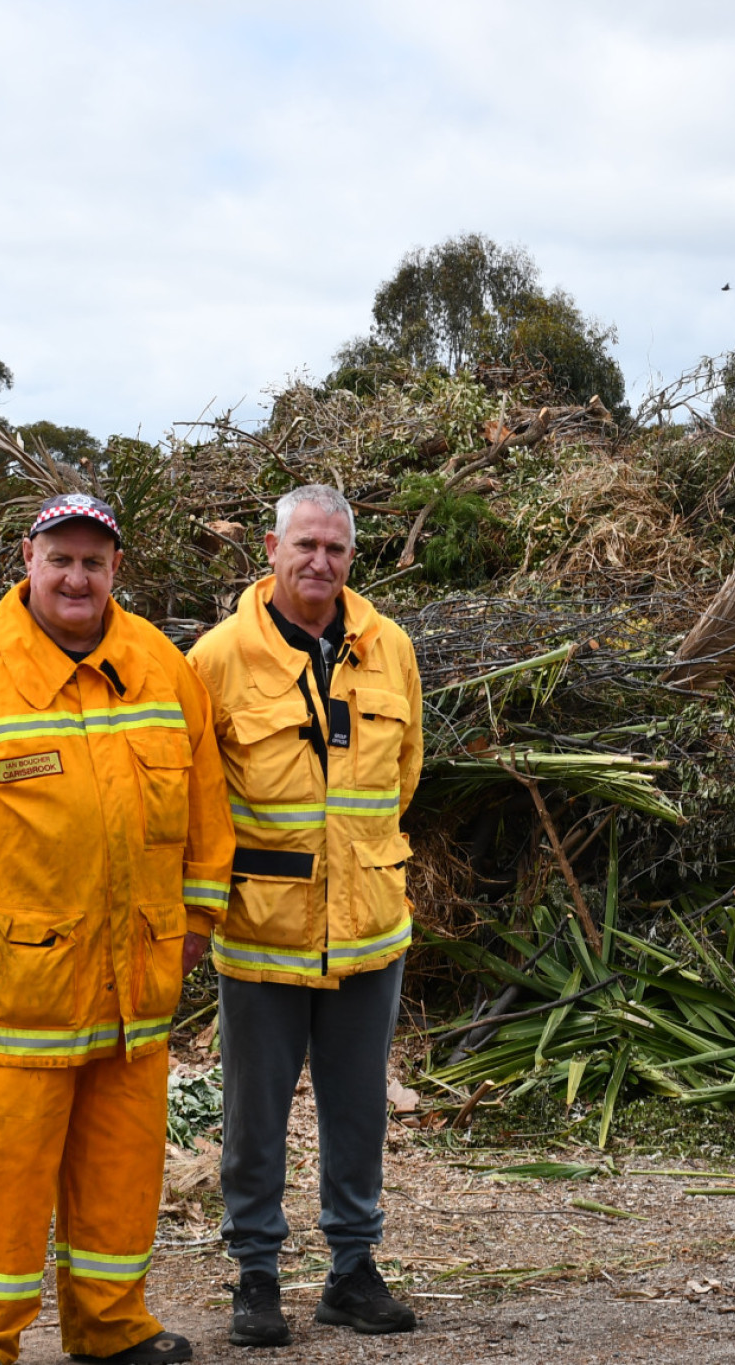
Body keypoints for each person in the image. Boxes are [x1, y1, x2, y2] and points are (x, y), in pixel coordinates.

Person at [0, 492, 233, 1365]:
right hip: (8, 993)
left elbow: (204, 809)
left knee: (120, 1173)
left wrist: (195, 918)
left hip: (131, 992)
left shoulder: (158, 663)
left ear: (116, 571)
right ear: (27, 562)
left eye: (94, 562)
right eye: (60, 558)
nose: (77, 576)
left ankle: (112, 1327)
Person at [187, 484, 424, 1347]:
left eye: (335, 548)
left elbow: (403, 779)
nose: (319, 561)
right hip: (260, 929)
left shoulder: (389, 646)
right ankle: (255, 1275)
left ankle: (352, 1271)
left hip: (368, 928)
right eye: (305, 546)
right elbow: (196, 799)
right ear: (271, 548)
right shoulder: (217, 659)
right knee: (255, 1118)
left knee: (357, 1111)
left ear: (350, 558)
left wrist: (358, 863)